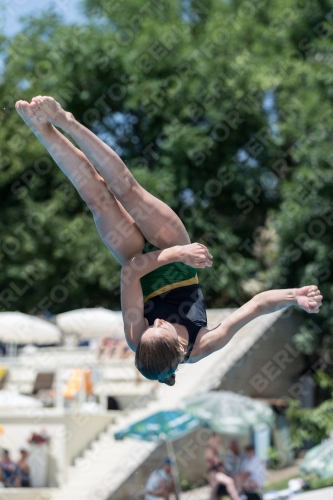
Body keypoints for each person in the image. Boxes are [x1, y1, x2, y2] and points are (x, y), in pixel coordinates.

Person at [15, 97, 323, 387]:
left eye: (150, 326)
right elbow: (256, 306)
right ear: (177, 345)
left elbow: (130, 273)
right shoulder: (202, 344)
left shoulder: (137, 337)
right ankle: (63, 123)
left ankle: (46, 128)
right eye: (159, 327)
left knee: (98, 196)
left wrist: (176, 254)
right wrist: (294, 295)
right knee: (127, 190)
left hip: (144, 259)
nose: (156, 320)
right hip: (176, 253)